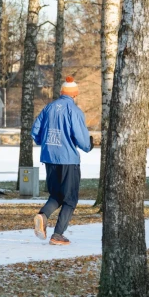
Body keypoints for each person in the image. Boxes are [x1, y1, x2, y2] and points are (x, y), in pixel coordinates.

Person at [31, 76, 93, 245]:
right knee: (70, 199)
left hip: (49, 158)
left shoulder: (48, 108)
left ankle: (43, 215)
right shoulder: (74, 110)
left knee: (57, 194)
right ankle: (58, 234)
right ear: (75, 94)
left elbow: (35, 131)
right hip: (68, 160)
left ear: (61, 93)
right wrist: (89, 145)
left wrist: (43, 142)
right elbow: (82, 139)